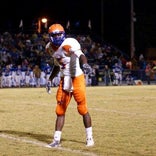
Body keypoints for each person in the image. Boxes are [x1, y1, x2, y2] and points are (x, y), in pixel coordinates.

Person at [45, 23, 94, 147]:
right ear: (50, 36)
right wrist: (50, 79)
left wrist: (85, 64)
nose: (57, 37)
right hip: (64, 79)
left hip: (76, 77)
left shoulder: (69, 43)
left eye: (59, 34)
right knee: (60, 110)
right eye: (54, 35)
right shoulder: (49, 48)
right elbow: (57, 64)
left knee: (82, 109)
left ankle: (90, 138)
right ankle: (56, 140)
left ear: (63, 34)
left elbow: (81, 55)